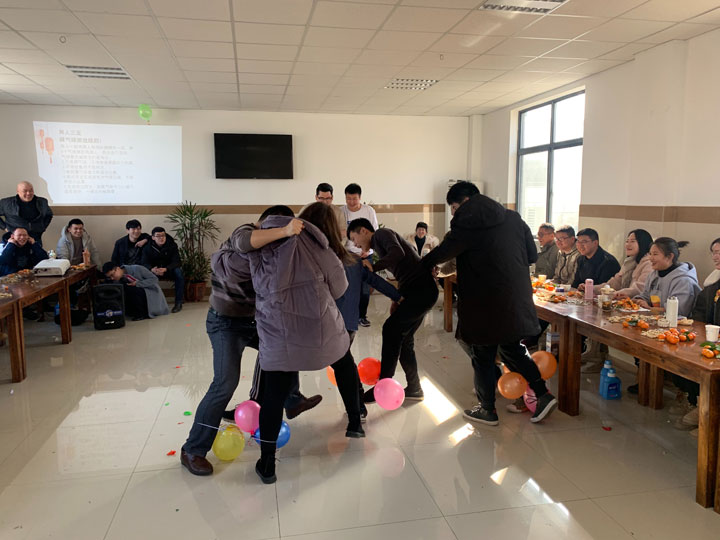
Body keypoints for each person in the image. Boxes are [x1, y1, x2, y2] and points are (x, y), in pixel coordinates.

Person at [181, 206, 320, 477]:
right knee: (225, 383)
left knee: (285, 348)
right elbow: (246, 244)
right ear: (264, 224)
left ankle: (291, 399)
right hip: (225, 323)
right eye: (276, 228)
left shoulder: (273, 248)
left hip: (253, 321)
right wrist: (285, 230)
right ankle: (192, 450)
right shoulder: (243, 233)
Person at [417, 181, 557, 425]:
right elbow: (531, 255)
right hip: (515, 297)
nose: (453, 213)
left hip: (483, 300)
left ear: (464, 202)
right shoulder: (513, 218)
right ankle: (543, 394)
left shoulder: (466, 222)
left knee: (482, 353)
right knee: (512, 348)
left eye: (453, 207)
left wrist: (422, 264)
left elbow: (445, 252)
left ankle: (487, 409)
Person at [244, 209, 360, 484]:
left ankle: (267, 464)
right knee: (345, 364)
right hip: (322, 332)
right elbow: (340, 287)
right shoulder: (319, 246)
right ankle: (355, 423)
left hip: (280, 335)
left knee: (273, 395)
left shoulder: (258, 244)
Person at [300, 202, 401, 420]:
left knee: (342, 364)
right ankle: (357, 406)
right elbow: (375, 281)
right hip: (348, 323)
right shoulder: (352, 260)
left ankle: (357, 407)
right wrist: (398, 296)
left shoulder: (316, 259)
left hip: (331, 323)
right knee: (344, 362)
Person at [348, 219, 438, 402]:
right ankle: (414, 388)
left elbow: (398, 253)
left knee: (390, 329)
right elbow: (406, 267)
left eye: (354, 238)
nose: (355, 244)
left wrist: (374, 266)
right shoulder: (378, 244)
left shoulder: (382, 234)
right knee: (404, 340)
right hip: (416, 291)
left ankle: (383, 385)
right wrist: (397, 297)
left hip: (421, 291)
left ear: (364, 231)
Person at [672, 237, 720, 433]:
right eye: (714, 252)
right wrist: (699, 333)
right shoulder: (712, 285)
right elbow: (699, 313)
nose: (716, 257)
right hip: (710, 340)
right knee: (682, 356)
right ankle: (697, 405)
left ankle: (709, 417)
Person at [341, 183, 378, 328]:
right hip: (348, 255)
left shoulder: (369, 211)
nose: (351, 202)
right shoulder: (341, 211)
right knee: (348, 287)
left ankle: (362, 316)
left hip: (365, 254)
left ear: (360, 197)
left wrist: (368, 250)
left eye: (354, 199)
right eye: (348, 199)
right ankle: (350, 316)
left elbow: (374, 233)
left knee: (365, 289)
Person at [634, 237, 700, 317]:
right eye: (650, 254)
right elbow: (646, 295)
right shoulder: (653, 275)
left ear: (669, 256)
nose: (650, 258)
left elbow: (679, 311)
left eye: (655, 254)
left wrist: (649, 309)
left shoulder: (684, 280)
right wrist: (640, 301)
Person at [102, 262, 170, 320]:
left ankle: (140, 314)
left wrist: (138, 283)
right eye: (109, 277)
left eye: (112, 275)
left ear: (117, 269)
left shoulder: (138, 268)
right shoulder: (119, 278)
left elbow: (154, 279)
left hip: (150, 292)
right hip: (139, 294)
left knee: (131, 289)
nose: (112, 278)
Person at [141, 227, 184, 313]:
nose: (161, 238)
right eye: (158, 236)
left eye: (163, 235)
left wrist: (166, 269)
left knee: (179, 273)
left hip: (168, 270)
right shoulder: (147, 247)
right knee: (143, 274)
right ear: (153, 237)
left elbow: (177, 262)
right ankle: (152, 304)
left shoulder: (172, 245)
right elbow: (144, 263)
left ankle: (178, 302)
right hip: (154, 271)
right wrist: (152, 269)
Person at [604, 229, 654, 299]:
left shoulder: (649, 263)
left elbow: (639, 289)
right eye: (627, 241)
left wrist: (616, 294)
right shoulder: (628, 262)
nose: (628, 245)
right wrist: (592, 288)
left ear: (643, 243)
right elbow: (615, 283)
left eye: (632, 241)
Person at [0, 182, 53, 246]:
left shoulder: (42, 201)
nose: (28, 193)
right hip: (14, 239)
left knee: (38, 252)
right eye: (25, 191)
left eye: (31, 190)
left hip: (35, 238)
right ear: (18, 192)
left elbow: (49, 214)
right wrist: (5, 227)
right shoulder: (6, 203)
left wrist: (43, 227)